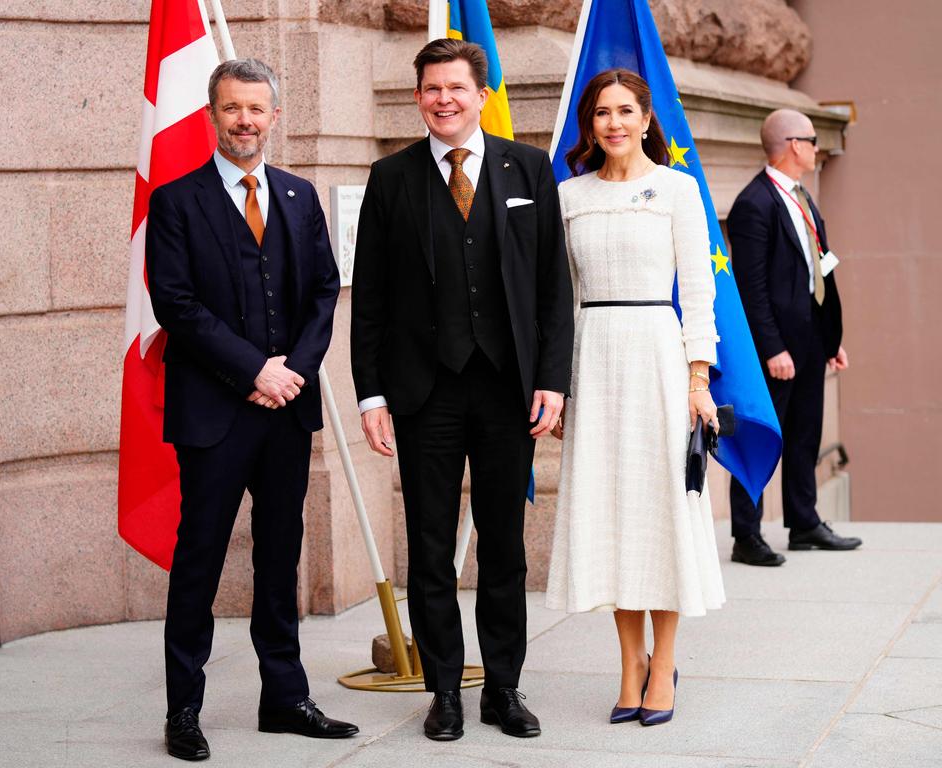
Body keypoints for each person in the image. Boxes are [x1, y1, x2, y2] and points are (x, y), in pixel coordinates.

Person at [350, 39, 573, 741]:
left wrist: (553, 382)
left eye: (455, 87)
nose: (443, 99)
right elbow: (371, 302)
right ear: (418, 97)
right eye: (430, 89)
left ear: (482, 94)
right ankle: (444, 689)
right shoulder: (390, 179)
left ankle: (502, 688)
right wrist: (370, 395)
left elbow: (553, 292)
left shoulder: (529, 168)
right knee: (431, 546)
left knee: (504, 546)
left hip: (510, 392)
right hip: (424, 394)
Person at [145, 58, 356, 761]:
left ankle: (285, 699)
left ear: (273, 115)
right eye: (233, 108)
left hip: (285, 412)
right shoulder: (177, 201)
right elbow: (175, 303)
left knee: (279, 556)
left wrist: (292, 372)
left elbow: (324, 293)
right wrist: (253, 369)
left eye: (256, 109)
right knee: (199, 558)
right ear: (214, 113)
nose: (244, 121)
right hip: (213, 413)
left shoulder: (298, 197)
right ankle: (183, 710)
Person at [545, 69, 725, 727]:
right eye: (601, 113)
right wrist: (559, 387)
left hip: (659, 357)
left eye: (625, 111)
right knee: (613, 516)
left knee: (660, 515)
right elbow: (558, 301)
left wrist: (698, 379)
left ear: (648, 120)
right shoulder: (567, 195)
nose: (613, 123)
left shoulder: (678, 189)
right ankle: (629, 667)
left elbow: (699, 292)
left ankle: (665, 662)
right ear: (589, 125)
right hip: (594, 360)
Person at [727, 108, 861, 567]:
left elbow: (819, 269)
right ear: (790, 145)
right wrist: (772, 348)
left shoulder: (802, 198)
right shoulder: (754, 204)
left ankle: (804, 524)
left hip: (808, 342)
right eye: (811, 139)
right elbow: (752, 287)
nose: (817, 147)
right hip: (777, 349)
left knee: (805, 434)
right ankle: (747, 534)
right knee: (762, 436)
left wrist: (830, 339)